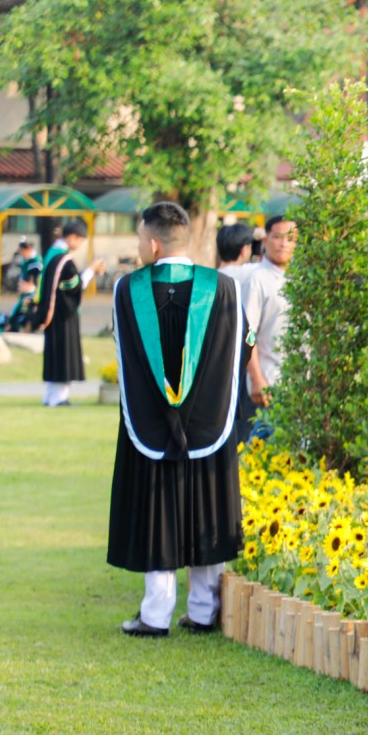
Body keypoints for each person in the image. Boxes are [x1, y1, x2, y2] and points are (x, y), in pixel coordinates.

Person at [108, 202, 247, 636]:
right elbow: (242, 350)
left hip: (148, 423)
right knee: (206, 506)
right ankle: (204, 611)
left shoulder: (127, 290)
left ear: (152, 243)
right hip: (210, 421)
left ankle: (155, 615)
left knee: (158, 511)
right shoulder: (224, 288)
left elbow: (126, 355)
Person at [36, 220, 105, 406]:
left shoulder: (51, 254)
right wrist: (91, 271)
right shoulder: (64, 261)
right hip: (63, 315)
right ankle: (59, 398)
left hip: (51, 313)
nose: (80, 246)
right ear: (72, 237)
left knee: (55, 353)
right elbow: (74, 288)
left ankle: (50, 396)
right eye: (81, 241)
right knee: (63, 354)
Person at [240, 215, 296, 441]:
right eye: (277, 237)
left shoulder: (299, 278)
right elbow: (247, 333)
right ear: (265, 240)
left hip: (297, 383)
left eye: (290, 238)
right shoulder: (257, 279)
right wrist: (256, 378)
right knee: (264, 451)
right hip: (268, 383)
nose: (283, 243)